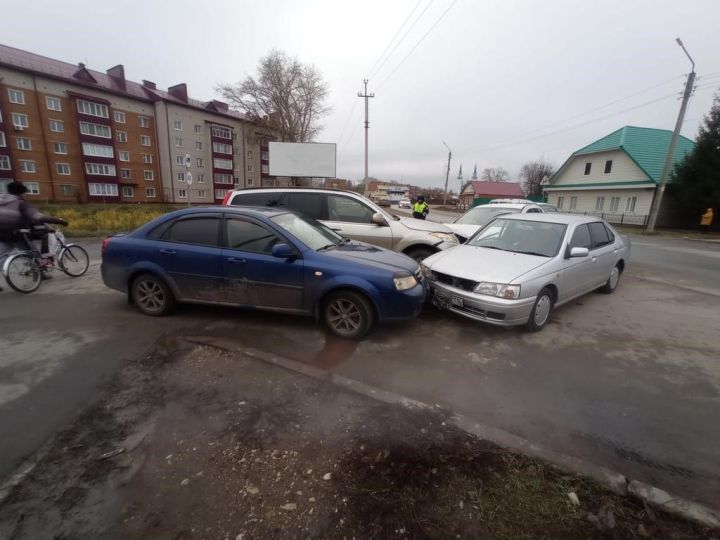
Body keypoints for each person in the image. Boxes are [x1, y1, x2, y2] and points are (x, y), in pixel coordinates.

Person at [0, 181, 68, 290]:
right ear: (21, 193)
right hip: (18, 235)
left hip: (2, 236)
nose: (26, 195)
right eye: (25, 193)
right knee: (33, 255)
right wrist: (59, 220)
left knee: (1, 258)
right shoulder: (21, 204)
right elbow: (37, 217)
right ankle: (40, 275)